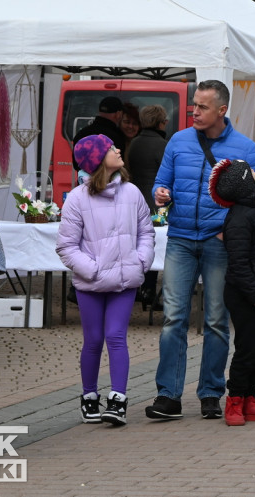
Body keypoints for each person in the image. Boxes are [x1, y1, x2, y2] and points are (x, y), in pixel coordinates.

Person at [147, 79, 255, 422]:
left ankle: (211, 393)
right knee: (173, 318)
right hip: (181, 240)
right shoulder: (178, 141)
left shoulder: (246, 149)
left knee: (217, 320)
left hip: (219, 244)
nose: (194, 112)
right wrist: (160, 194)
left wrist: (232, 233)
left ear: (222, 110)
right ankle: (168, 395)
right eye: (193, 106)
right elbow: (162, 182)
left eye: (202, 107)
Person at [57, 134, 154, 426]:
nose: (119, 149)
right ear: (98, 159)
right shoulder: (76, 198)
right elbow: (66, 246)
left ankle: (118, 400)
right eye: (111, 148)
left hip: (124, 281)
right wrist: (93, 270)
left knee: (115, 337)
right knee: (94, 340)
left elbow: (146, 232)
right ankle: (89, 398)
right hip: (91, 283)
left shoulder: (132, 193)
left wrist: (139, 261)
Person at [209, 159, 255, 426]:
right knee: (247, 349)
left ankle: (252, 397)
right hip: (245, 295)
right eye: (252, 173)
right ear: (244, 183)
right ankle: (235, 400)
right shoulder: (239, 218)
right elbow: (239, 264)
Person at [125, 104, 169, 311]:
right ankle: (149, 290)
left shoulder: (133, 143)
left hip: (135, 200)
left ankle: (138, 288)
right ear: (161, 122)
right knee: (153, 245)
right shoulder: (162, 144)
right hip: (156, 203)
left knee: (137, 245)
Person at [72, 96, 126, 171]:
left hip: (85, 181)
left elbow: (76, 165)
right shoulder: (117, 136)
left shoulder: (82, 133)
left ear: (99, 111)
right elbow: (119, 165)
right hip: (108, 181)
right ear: (118, 114)